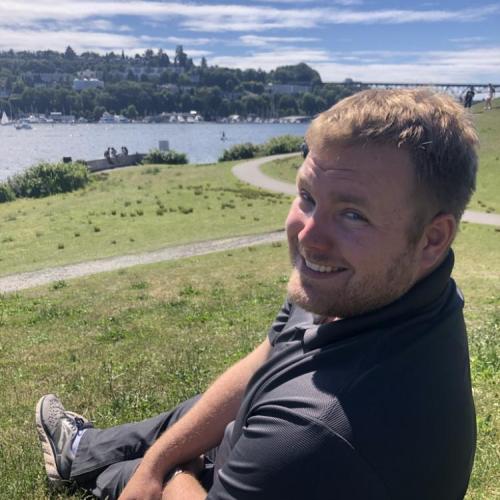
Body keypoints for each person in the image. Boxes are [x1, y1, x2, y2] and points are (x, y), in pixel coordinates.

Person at [35, 88, 478, 500]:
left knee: (125, 480)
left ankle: (92, 465)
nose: (308, 237)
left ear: (432, 238)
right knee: (190, 418)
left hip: (246, 474)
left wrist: (174, 473)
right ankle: (82, 450)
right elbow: (271, 355)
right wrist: (159, 458)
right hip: (253, 446)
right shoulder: (388, 288)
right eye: (306, 195)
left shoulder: (312, 434)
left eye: (353, 214)